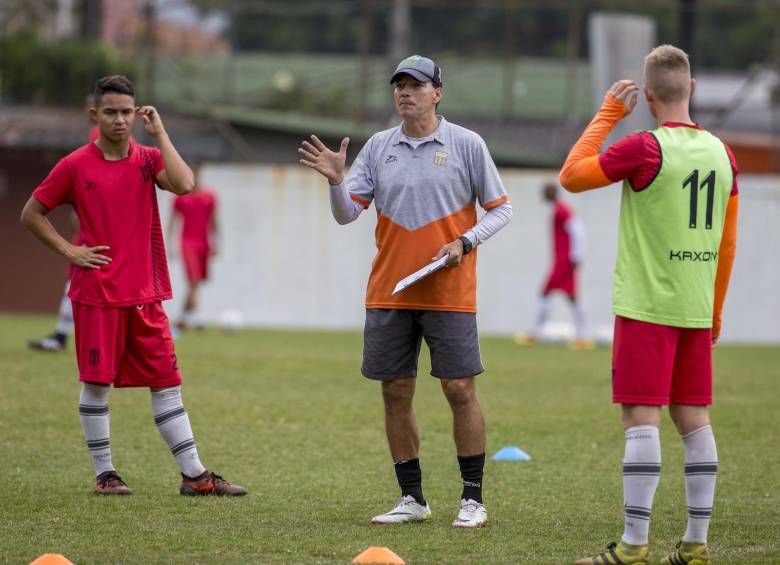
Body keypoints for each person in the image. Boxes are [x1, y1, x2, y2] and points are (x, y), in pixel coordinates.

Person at [298, 55, 512, 528]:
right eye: (399, 84)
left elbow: (500, 209)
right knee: (395, 392)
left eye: (416, 85)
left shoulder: (467, 144)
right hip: (389, 292)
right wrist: (336, 182)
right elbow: (346, 214)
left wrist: (465, 240)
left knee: (459, 389)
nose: (405, 92)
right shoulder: (378, 147)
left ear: (438, 92)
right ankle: (412, 499)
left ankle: (472, 500)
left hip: (449, 292)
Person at [20, 75, 246, 497]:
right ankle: (106, 474)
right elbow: (32, 213)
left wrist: (160, 133)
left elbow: (184, 185)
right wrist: (70, 251)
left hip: (146, 297)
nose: (120, 120)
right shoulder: (73, 165)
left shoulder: (147, 158)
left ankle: (195, 476)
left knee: (167, 383)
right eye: (111, 112)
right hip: (97, 296)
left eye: (127, 112)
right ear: (95, 115)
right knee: (97, 383)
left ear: (136, 113)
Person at [559, 45, 738, 565]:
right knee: (696, 420)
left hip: (646, 309)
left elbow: (572, 176)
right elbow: (729, 243)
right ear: (694, 90)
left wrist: (608, 114)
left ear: (649, 96)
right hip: (695, 307)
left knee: (642, 420)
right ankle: (695, 544)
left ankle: (634, 547)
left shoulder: (644, 147)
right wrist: (716, 312)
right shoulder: (724, 154)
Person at [27, 96, 100, 351]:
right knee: (78, 278)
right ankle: (62, 334)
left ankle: (62, 335)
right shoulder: (126, 143)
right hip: (100, 225)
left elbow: (91, 173)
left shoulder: (98, 136)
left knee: (79, 277)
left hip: (96, 227)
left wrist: (80, 213)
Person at [513, 181, 590, 348]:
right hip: (563, 260)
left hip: (565, 261)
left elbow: (578, 230)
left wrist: (577, 255)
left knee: (547, 292)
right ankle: (583, 336)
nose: (543, 195)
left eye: (545, 192)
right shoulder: (559, 209)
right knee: (571, 296)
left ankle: (538, 333)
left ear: (551, 193)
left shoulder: (562, 210)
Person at [167, 165, 219, 330]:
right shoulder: (180, 197)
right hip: (187, 242)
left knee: (197, 282)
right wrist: (169, 245)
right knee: (194, 279)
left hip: (204, 243)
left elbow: (214, 221)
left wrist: (216, 242)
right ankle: (194, 317)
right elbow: (172, 221)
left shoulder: (210, 196)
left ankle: (184, 316)